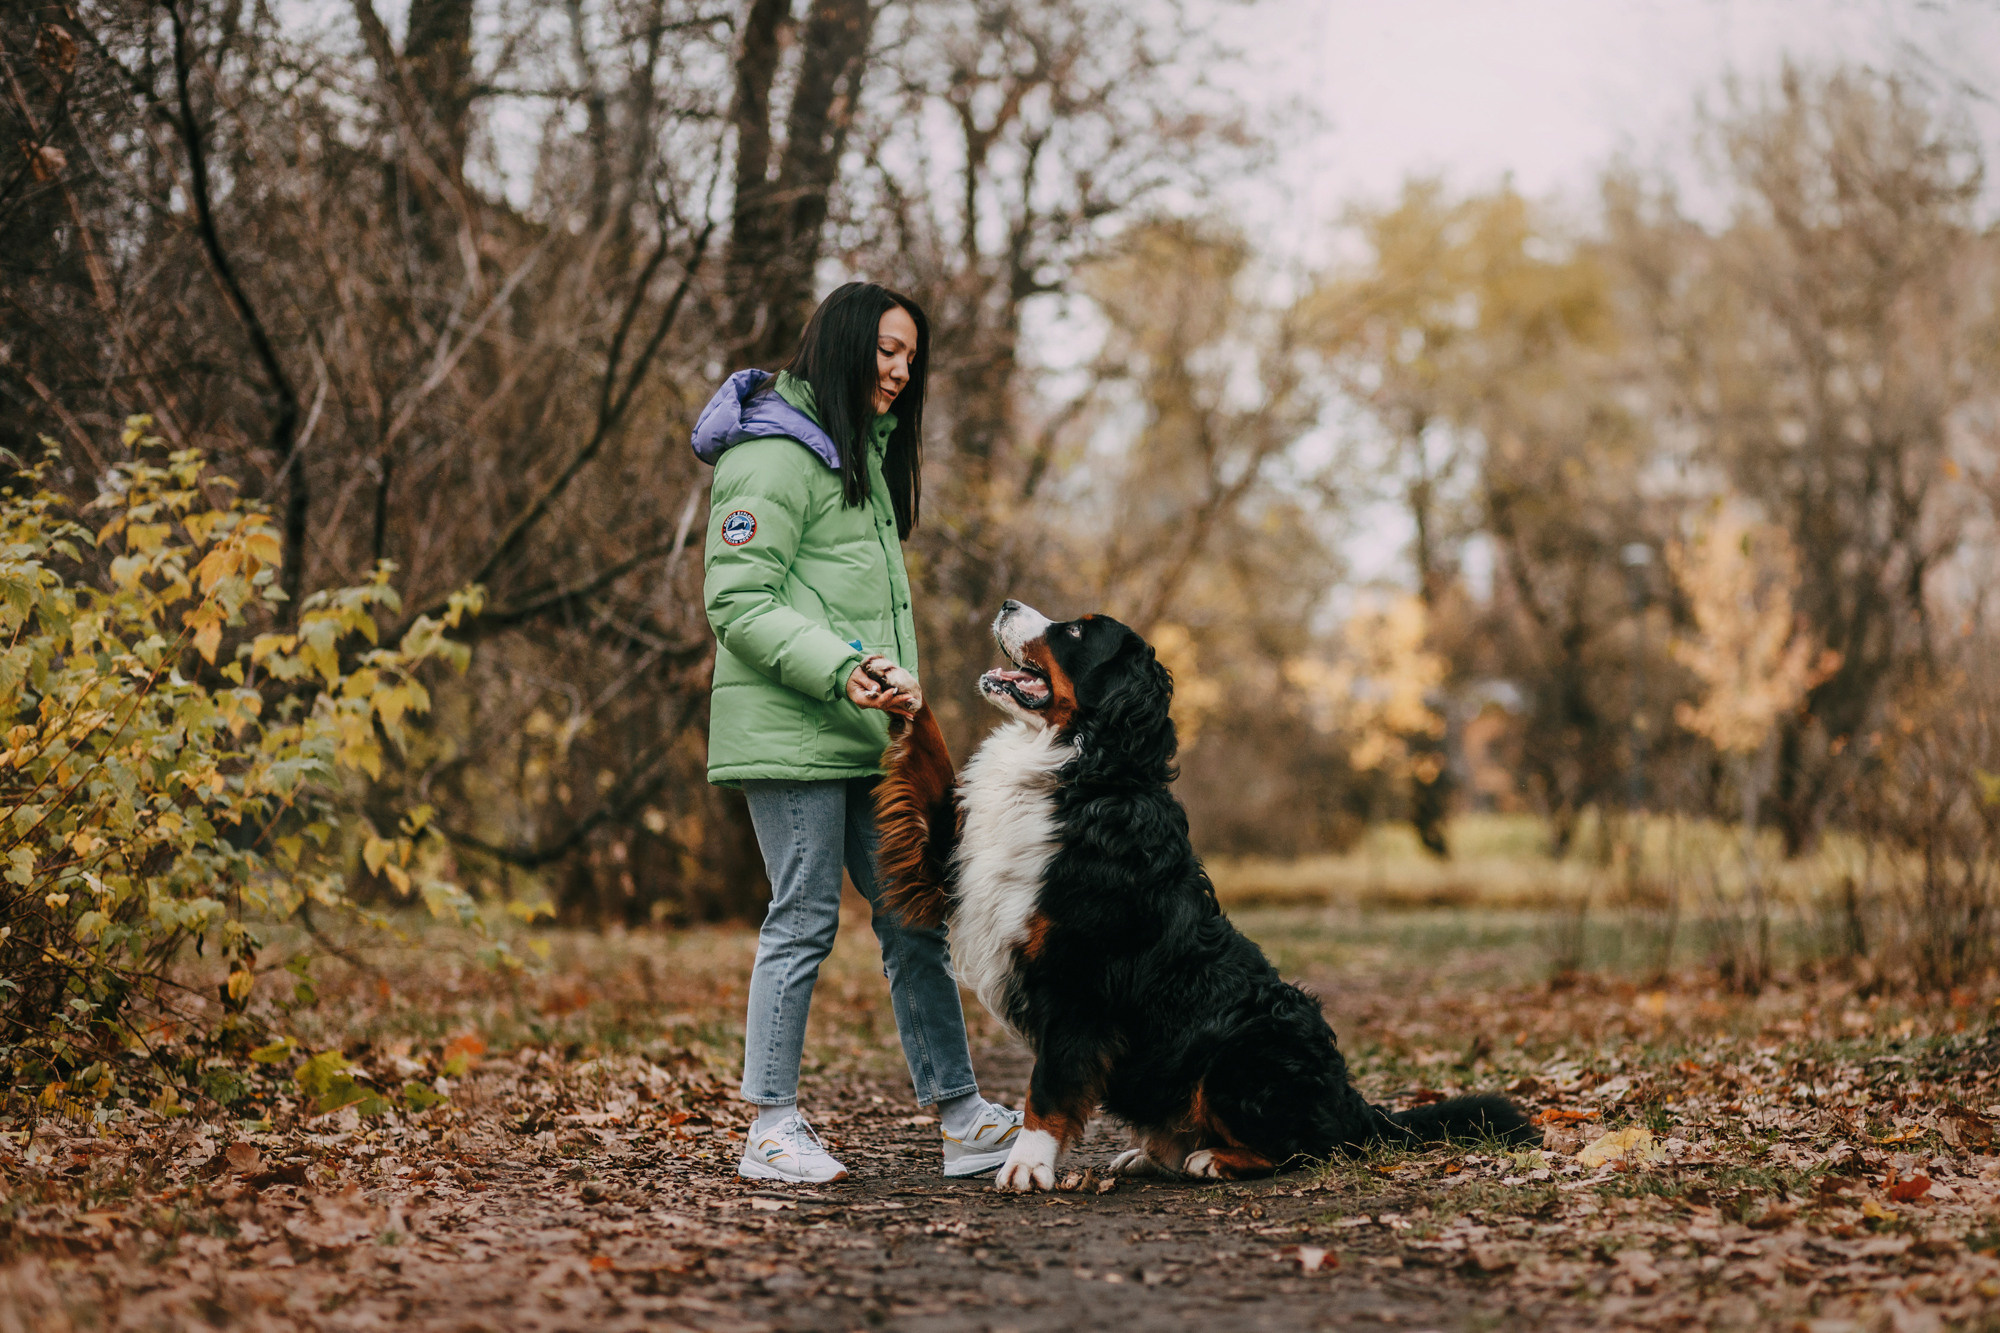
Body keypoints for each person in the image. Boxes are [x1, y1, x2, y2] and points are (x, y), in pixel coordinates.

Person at [691, 281, 1020, 1184]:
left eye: (910, 356)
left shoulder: (859, 456)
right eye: (886, 350)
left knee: (915, 915)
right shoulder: (771, 455)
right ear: (841, 344)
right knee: (801, 918)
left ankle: (961, 1117)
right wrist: (845, 669)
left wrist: (884, 691)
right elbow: (738, 601)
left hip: (866, 731)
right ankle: (770, 1128)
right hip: (791, 729)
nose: (901, 370)